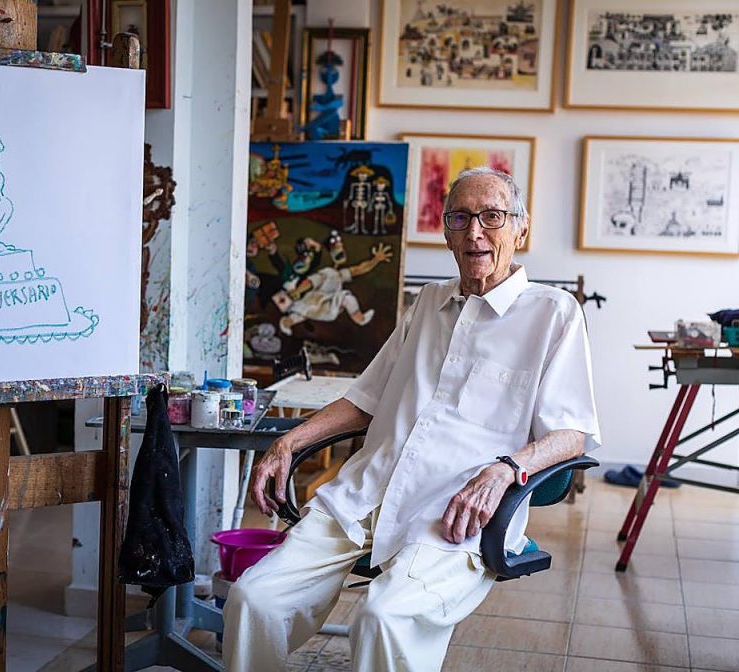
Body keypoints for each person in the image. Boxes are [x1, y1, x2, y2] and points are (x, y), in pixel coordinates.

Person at [223, 167, 600, 672]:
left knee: (383, 617)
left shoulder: (554, 313)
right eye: (460, 218)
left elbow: (572, 433)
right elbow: (366, 398)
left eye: (491, 217)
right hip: (366, 492)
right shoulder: (428, 302)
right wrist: (289, 442)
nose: (475, 232)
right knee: (253, 600)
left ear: (520, 229)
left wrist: (505, 469)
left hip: (455, 509)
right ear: (446, 232)